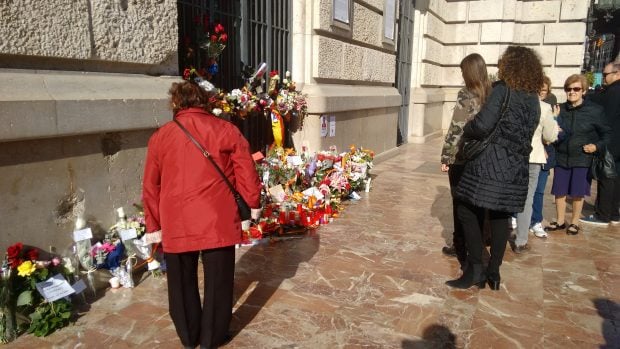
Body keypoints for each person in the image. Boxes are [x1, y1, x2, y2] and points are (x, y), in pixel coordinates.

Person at [142, 80, 262, 349]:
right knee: (219, 282)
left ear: (176, 103)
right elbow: (246, 172)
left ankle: (188, 335)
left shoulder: (160, 137)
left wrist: (154, 223)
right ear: (205, 101)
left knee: (180, 283)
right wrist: (252, 204)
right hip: (216, 219)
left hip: (176, 220)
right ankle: (212, 338)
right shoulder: (226, 130)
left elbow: (151, 185)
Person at [447, 46, 543, 291]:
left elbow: (482, 125)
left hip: (489, 165)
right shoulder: (533, 99)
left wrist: (467, 129)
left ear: (510, 66)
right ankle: (495, 273)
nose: (499, 66)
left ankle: (476, 270)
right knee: (501, 216)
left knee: (467, 210)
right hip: (516, 168)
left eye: (503, 63)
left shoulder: (502, 90)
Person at [440, 53, 491, 268]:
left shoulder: (466, 94)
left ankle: (460, 245)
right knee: (478, 204)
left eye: (463, 71)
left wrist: (446, 156)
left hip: (463, 158)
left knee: (460, 204)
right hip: (484, 158)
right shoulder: (492, 93)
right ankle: (479, 241)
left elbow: (456, 128)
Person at [545, 74, 611, 235]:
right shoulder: (559, 109)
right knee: (559, 191)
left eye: (576, 89)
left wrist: (596, 146)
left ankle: (574, 222)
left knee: (577, 192)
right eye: (569, 89)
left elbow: (607, 134)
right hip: (562, 157)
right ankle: (560, 220)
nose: (572, 92)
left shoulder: (595, 111)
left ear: (584, 91)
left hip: (582, 158)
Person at [511, 84, 559, 252]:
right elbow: (550, 136)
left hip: (512, 157)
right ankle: (521, 241)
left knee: (507, 195)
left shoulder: (512, 102)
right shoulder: (544, 107)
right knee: (527, 199)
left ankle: (499, 236)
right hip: (533, 156)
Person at [580, 62, 620, 226]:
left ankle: (603, 215)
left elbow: (606, 116)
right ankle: (614, 214)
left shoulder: (614, 91)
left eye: (606, 75)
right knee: (616, 177)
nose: (603, 78)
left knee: (606, 176)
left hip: (611, 142)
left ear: (617, 74)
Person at [530, 75, 559, 238]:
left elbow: (553, 135)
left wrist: (554, 119)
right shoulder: (528, 107)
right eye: (538, 89)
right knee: (524, 189)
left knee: (539, 191)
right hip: (533, 154)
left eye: (544, 90)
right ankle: (516, 217)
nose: (541, 93)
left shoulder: (550, 108)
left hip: (544, 156)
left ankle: (536, 221)